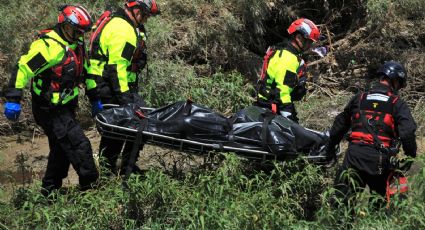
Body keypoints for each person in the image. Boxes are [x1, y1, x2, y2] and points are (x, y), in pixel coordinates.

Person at [3, 5, 101, 196]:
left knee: (61, 150)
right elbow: (22, 68)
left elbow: (87, 72)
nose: (80, 35)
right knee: (80, 146)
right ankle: (91, 193)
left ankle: (49, 192)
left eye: (82, 32)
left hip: (66, 107)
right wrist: (13, 98)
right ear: (64, 25)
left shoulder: (76, 45)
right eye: (76, 31)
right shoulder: (48, 47)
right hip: (49, 109)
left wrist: (95, 98)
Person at [326, 61, 417, 209]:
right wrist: (409, 158)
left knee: (341, 205)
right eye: (399, 84)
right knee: (379, 207)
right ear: (394, 81)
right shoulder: (397, 103)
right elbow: (407, 133)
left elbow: (339, 126)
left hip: (354, 156)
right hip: (379, 161)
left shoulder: (359, 98)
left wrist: (330, 148)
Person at [86, 0, 159, 175]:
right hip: (109, 86)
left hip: (112, 83)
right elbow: (116, 68)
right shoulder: (123, 29)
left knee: (138, 122)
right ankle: (109, 170)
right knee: (117, 130)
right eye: (146, 16)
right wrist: (125, 98)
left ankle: (125, 166)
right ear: (136, 10)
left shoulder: (121, 22)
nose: (146, 20)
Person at [256, 18, 321, 123]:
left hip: (268, 106)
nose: (310, 45)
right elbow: (282, 92)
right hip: (273, 110)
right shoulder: (288, 58)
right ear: (299, 38)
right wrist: (289, 118)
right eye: (309, 41)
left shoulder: (281, 51)